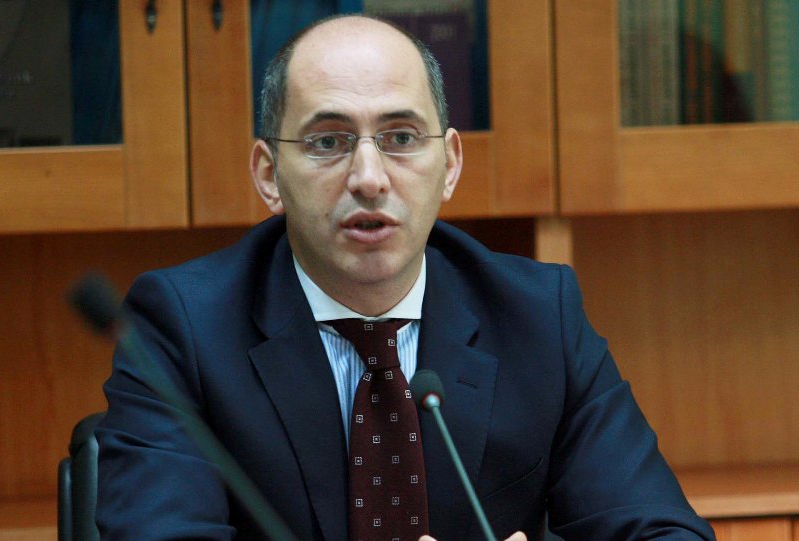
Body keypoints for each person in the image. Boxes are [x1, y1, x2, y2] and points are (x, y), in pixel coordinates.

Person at [95, 14, 716, 541]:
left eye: (400, 137)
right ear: (268, 175)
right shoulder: (183, 328)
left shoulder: (536, 316)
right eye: (328, 142)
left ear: (450, 164)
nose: (369, 178)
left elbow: (662, 530)